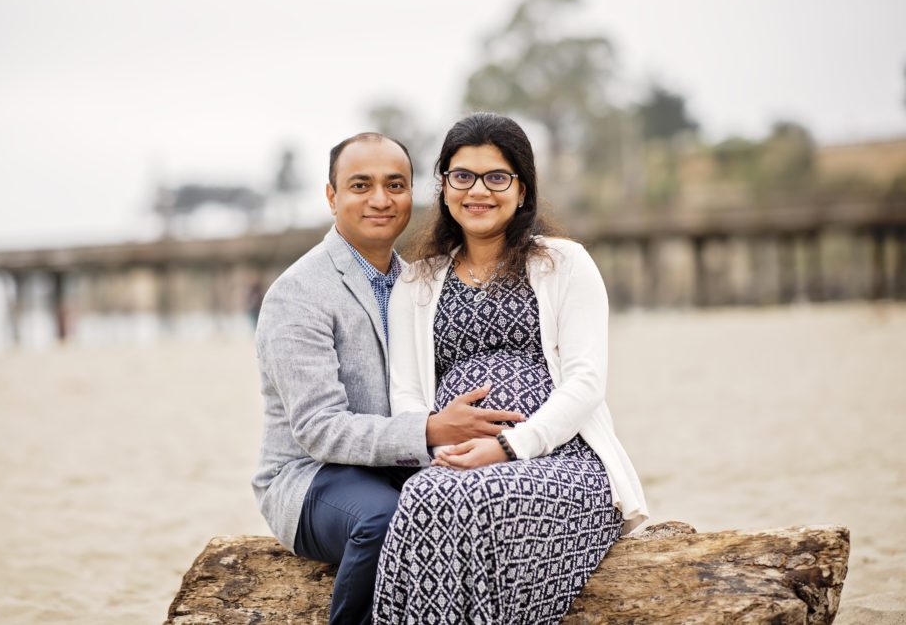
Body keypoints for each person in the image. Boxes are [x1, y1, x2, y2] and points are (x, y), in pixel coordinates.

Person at [373, 113, 649, 624]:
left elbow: (586, 381)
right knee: (424, 498)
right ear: (445, 187)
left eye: (496, 177)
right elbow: (408, 391)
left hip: (562, 460)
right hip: (451, 460)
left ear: (522, 190)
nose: (478, 191)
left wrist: (507, 447)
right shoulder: (417, 283)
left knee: (484, 498)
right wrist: (442, 446)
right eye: (462, 176)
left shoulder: (565, 263)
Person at [252, 131, 525, 625]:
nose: (380, 200)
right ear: (332, 196)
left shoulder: (421, 282)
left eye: (395, 185)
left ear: (414, 194)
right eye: (361, 186)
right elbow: (318, 429)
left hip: (402, 466)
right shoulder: (298, 293)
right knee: (384, 520)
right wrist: (430, 430)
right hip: (311, 478)